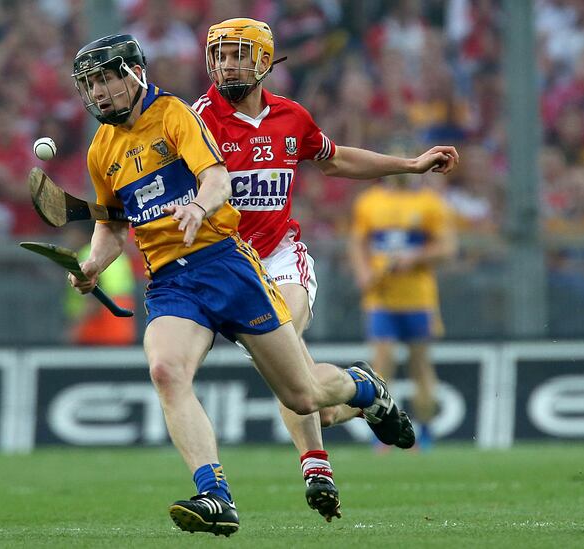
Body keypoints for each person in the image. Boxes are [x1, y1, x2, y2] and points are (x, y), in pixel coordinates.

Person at [67, 34, 412, 537]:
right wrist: (93, 264)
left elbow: (217, 179)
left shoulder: (176, 115)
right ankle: (215, 495)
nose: (97, 93)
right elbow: (113, 226)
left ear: (133, 73)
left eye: (105, 79)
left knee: (304, 395)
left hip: (227, 264)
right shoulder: (102, 148)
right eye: (89, 84)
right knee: (166, 371)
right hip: (170, 281)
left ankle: (363, 386)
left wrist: (198, 207)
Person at [193, 18, 459, 518]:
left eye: (238, 53)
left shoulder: (292, 117)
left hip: (279, 257)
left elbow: (335, 160)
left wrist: (409, 164)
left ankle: (316, 465)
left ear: (265, 61)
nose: (227, 63)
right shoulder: (195, 121)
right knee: (305, 391)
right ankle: (366, 394)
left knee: (287, 341)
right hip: (225, 267)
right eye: (220, 54)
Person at [349, 168, 457, 450]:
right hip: (381, 297)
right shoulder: (370, 202)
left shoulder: (429, 202)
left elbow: (447, 247)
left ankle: (425, 432)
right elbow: (358, 243)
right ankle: (385, 435)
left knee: (420, 365)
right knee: (382, 366)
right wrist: (362, 273)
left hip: (418, 298)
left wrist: (415, 256)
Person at [63, 222, 136, 346]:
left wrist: (75, 329)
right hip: (121, 330)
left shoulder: (88, 256)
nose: (67, 238)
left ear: (83, 234)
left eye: (71, 233)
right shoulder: (118, 255)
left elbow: (93, 300)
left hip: (98, 331)